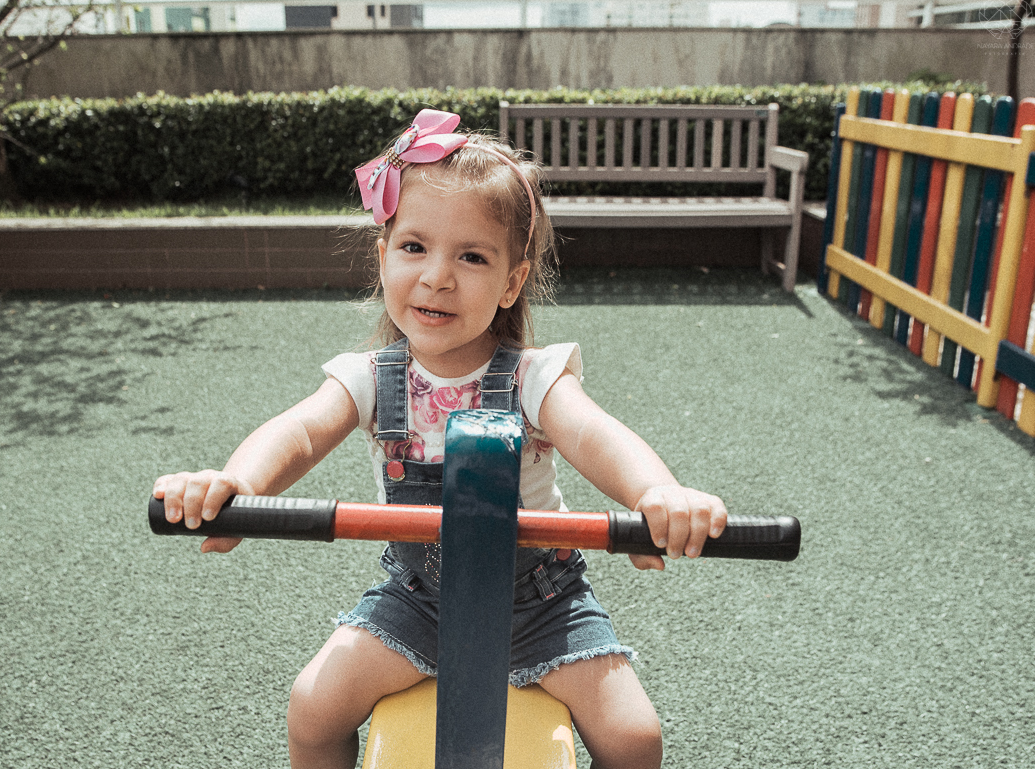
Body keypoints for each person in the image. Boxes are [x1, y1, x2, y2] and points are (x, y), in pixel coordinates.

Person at [152, 108, 727, 769]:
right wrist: (239, 483)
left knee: (633, 737)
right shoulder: (369, 378)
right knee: (313, 706)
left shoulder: (534, 377)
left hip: (539, 603)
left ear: (512, 281)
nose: (436, 276)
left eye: (472, 256)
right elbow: (301, 430)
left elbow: (594, 433)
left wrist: (655, 492)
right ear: (383, 255)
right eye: (415, 247)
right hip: (418, 599)